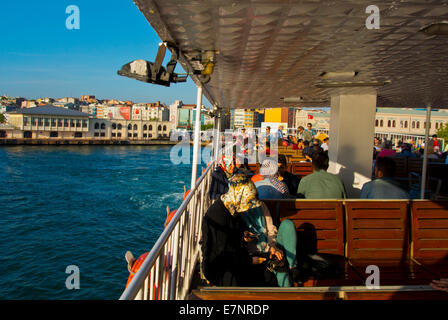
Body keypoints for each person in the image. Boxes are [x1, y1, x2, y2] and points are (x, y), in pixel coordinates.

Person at [221, 174, 299, 287]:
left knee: (287, 225)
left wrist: (273, 246)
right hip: (250, 255)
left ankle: (292, 269)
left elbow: (270, 229)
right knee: (278, 264)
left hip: (268, 248)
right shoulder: (234, 212)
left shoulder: (261, 206)